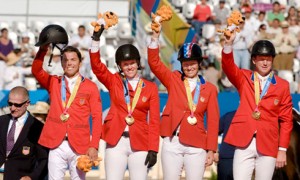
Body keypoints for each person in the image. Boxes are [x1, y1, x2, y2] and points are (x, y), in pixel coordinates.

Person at [148, 25, 220, 179]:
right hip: (172, 141)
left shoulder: (210, 89)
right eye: (185, 63)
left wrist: (211, 149)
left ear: (199, 63)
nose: (189, 67)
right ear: (181, 64)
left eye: (193, 63)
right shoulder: (173, 79)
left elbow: (213, 121)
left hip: (197, 143)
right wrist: (155, 38)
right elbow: (154, 63)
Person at [89, 25, 160, 180]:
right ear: (120, 66)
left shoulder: (150, 88)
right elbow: (97, 67)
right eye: (125, 64)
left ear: (138, 63)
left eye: (132, 63)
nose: (129, 67)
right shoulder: (114, 81)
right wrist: (95, 40)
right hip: (116, 141)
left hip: (140, 142)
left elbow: (154, 121)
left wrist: (153, 148)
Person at [31, 24, 102, 180]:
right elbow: (36, 70)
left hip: (80, 145)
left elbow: (97, 118)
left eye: (73, 60)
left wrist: (94, 145)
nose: (69, 63)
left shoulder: (91, 87)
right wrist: (43, 49)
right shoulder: (54, 82)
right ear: (61, 63)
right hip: (57, 144)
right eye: (65, 60)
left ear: (80, 62)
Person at [222, 33, 293, 180]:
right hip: (243, 142)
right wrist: (228, 45)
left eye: (268, 59)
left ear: (273, 60)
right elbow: (228, 67)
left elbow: (286, 120)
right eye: (261, 59)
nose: (265, 63)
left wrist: (282, 149)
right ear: (254, 60)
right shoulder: (244, 77)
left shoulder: (282, 85)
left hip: (268, 143)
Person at [0, 86, 48, 180]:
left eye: (17, 105)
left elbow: (44, 159)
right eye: (10, 103)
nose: (12, 108)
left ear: (27, 103)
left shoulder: (37, 127)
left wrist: (32, 177)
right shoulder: (1, 121)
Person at [214, 110, 236, 180]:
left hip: (246, 158)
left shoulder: (256, 116)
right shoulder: (229, 116)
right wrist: (215, 151)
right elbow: (213, 131)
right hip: (227, 158)